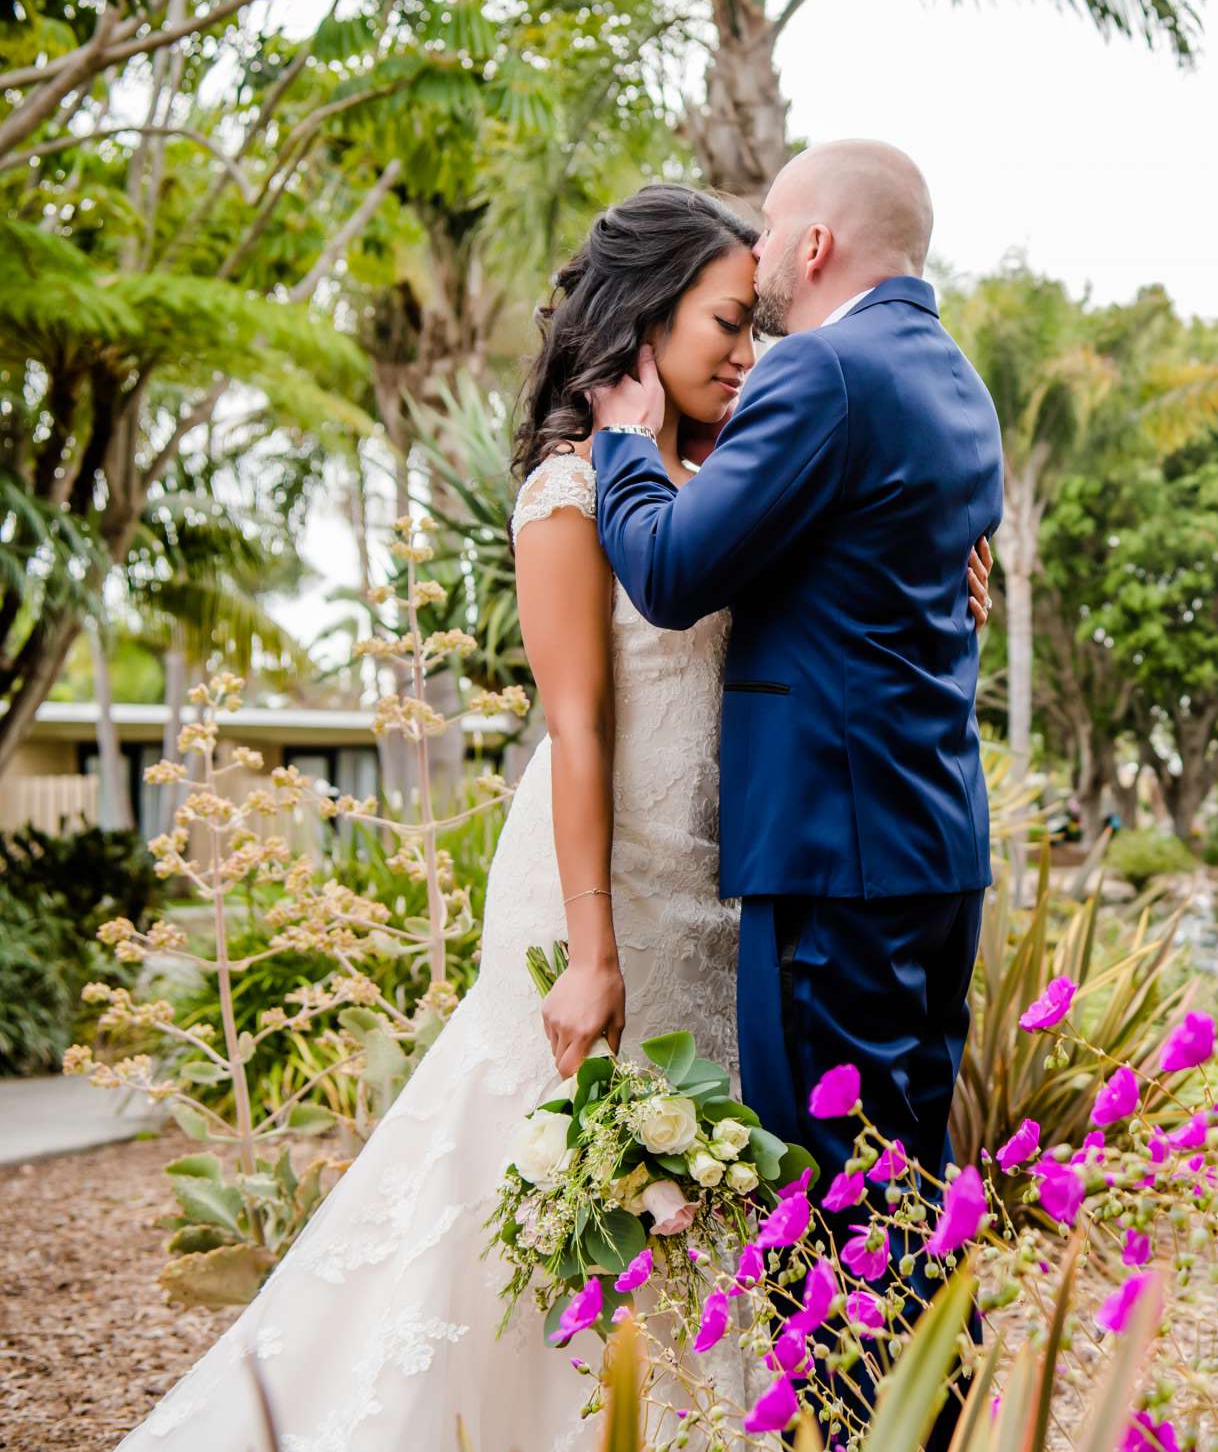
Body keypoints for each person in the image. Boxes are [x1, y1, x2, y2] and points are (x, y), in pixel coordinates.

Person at [116, 181, 993, 1452]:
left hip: (728, 888)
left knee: (731, 1207)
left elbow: (848, 596)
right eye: (726, 324)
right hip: (609, 879)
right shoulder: (571, 494)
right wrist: (591, 954)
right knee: (563, 1195)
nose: (751, 353)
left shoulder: (741, 467)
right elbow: (577, 730)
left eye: (758, 326)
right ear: (643, 327)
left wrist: (944, 579)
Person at [587, 139, 1005, 1441]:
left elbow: (666, 571)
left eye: (769, 232)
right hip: (930, 851)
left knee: (831, 1204)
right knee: (909, 1194)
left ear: (813, 246)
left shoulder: (823, 369)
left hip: (831, 862)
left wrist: (622, 447)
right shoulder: (953, 378)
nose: (757, 257)